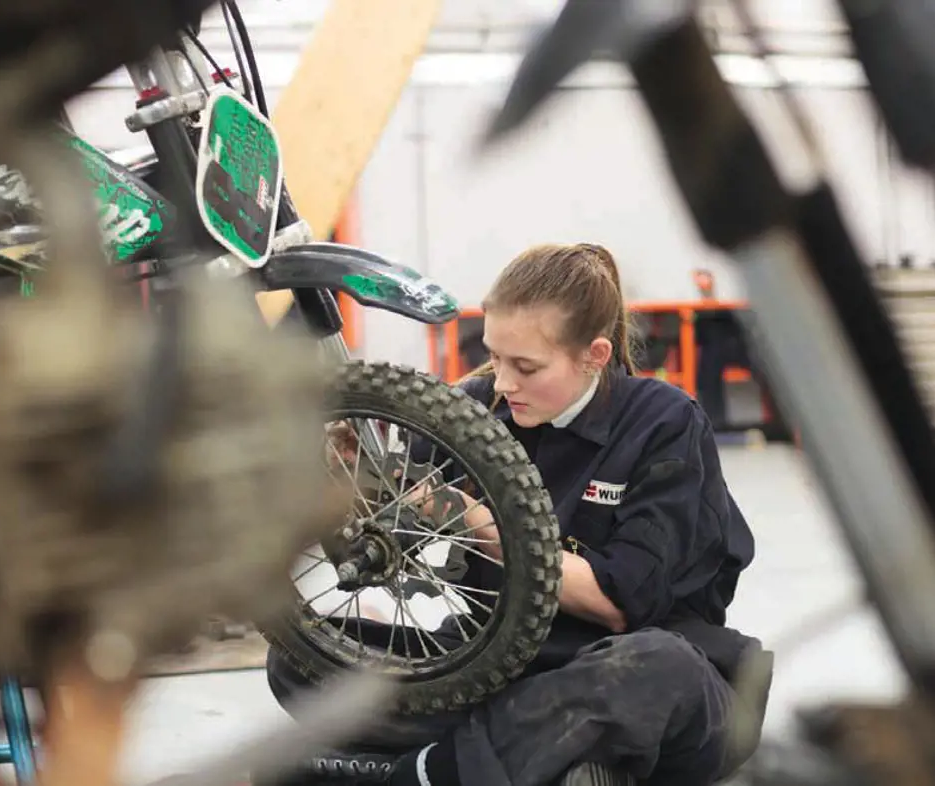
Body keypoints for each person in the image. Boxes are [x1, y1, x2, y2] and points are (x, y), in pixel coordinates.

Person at [265, 243, 766, 786]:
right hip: (497, 672)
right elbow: (396, 520)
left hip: (638, 679)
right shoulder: (480, 406)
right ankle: (546, 758)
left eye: (526, 367)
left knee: (653, 670)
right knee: (302, 661)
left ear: (594, 355)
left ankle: (425, 773)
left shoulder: (665, 422)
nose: (503, 382)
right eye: (495, 357)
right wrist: (354, 475)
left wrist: (480, 517)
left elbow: (620, 604)